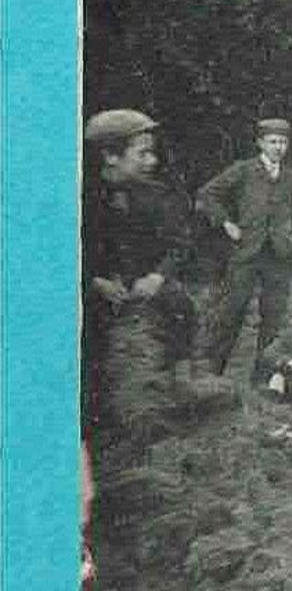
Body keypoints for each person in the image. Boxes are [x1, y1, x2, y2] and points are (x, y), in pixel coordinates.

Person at [81, 109, 198, 421]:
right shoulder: (77, 196)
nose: (152, 162)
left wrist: (157, 276)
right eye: (142, 153)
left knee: (180, 303)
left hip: (138, 286)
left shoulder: (153, 195)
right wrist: (94, 281)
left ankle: (178, 384)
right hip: (87, 293)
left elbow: (179, 243)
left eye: (152, 152)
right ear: (110, 156)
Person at [196, 117, 292, 381]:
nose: (278, 147)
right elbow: (207, 195)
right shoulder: (244, 170)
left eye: (283, 142)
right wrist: (227, 223)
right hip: (247, 252)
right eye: (272, 141)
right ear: (260, 143)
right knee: (232, 310)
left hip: (279, 255)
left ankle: (263, 378)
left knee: (273, 315)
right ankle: (213, 375)